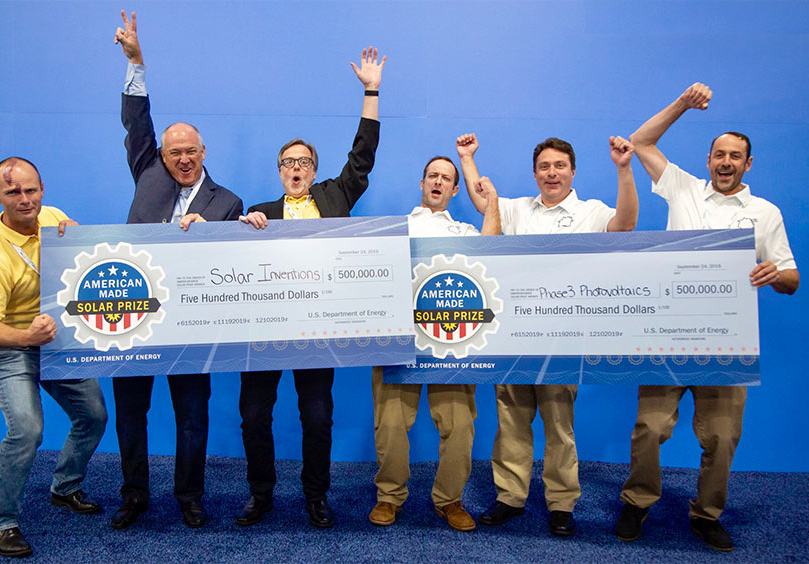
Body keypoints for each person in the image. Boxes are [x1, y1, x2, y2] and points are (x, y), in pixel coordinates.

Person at [615, 83, 799, 552]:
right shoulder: (682, 190)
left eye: (735, 156)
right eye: (719, 153)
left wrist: (774, 273)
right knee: (650, 428)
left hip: (726, 342)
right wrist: (681, 103)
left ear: (748, 164)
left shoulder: (765, 213)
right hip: (668, 336)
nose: (725, 162)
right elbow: (639, 142)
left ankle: (707, 514)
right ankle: (637, 502)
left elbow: (793, 278)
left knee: (722, 437)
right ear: (708, 159)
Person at [458, 132, 638, 536]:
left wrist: (624, 170)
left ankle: (561, 503)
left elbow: (625, 225)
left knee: (559, 426)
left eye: (559, 166)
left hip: (563, 337)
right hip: (513, 335)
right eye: (544, 167)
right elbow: (482, 200)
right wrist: (467, 158)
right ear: (535, 173)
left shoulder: (590, 212)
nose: (552, 173)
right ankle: (510, 497)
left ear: (572, 172)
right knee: (511, 420)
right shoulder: (519, 209)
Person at [235, 47, 385, 529]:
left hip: (319, 332)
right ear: (279, 171)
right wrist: (243, 228)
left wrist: (371, 91)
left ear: (314, 171)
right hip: (266, 333)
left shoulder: (335, 196)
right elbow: (229, 263)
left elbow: (362, 156)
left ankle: (316, 496)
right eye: (287, 162)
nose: (295, 167)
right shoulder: (259, 211)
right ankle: (261, 495)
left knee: (318, 418)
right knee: (255, 416)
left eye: (303, 161)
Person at [111, 10, 244, 530]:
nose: (182, 159)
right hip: (133, 316)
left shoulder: (227, 201)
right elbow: (136, 123)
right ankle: (134, 495)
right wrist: (136, 63)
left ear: (203, 152)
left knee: (192, 417)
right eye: (174, 153)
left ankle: (190, 496)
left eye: (190, 151)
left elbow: (236, 266)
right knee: (130, 414)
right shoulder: (147, 171)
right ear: (161, 156)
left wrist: (232, 229)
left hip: (192, 325)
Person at [0, 157, 108, 558]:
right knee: (27, 430)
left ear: (42, 189)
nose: (24, 199)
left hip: (57, 343)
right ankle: (1, 523)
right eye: (13, 192)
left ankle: (64, 487)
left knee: (94, 416)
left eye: (31, 190)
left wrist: (77, 238)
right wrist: (25, 336)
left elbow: (78, 261)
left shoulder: (52, 216)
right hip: (10, 348)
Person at [368, 156, 501, 532]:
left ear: (455, 189)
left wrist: (491, 206)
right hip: (399, 341)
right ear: (422, 182)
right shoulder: (393, 229)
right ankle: (389, 497)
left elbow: (492, 254)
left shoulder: (462, 232)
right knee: (391, 424)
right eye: (433, 176)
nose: (438, 182)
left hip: (451, 340)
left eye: (446, 178)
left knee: (459, 425)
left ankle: (449, 500)